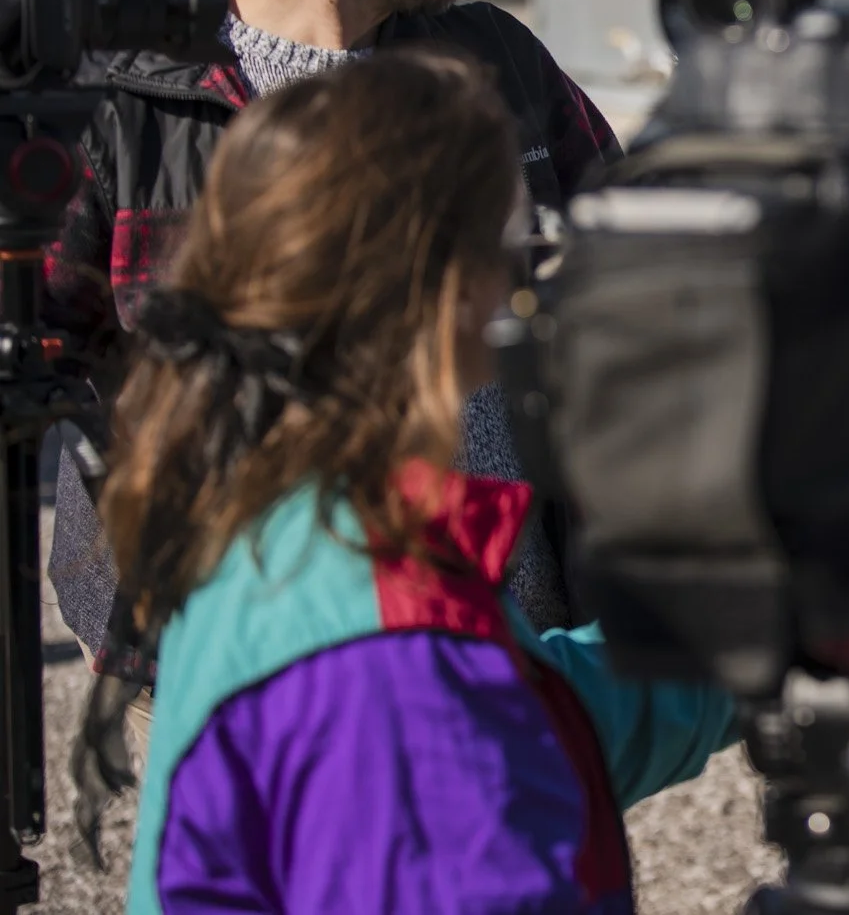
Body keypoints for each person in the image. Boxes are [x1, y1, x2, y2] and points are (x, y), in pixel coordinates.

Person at [51, 0, 617, 685]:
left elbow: (641, 294)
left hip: (502, 665)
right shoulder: (115, 87)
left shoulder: (496, 68)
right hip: (229, 687)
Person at [99, 48, 735, 912]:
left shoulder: (283, 525)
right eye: (524, 256)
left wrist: (748, 638)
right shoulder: (389, 660)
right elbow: (441, 734)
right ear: (446, 296)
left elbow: (524, 722)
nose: (539, 293)